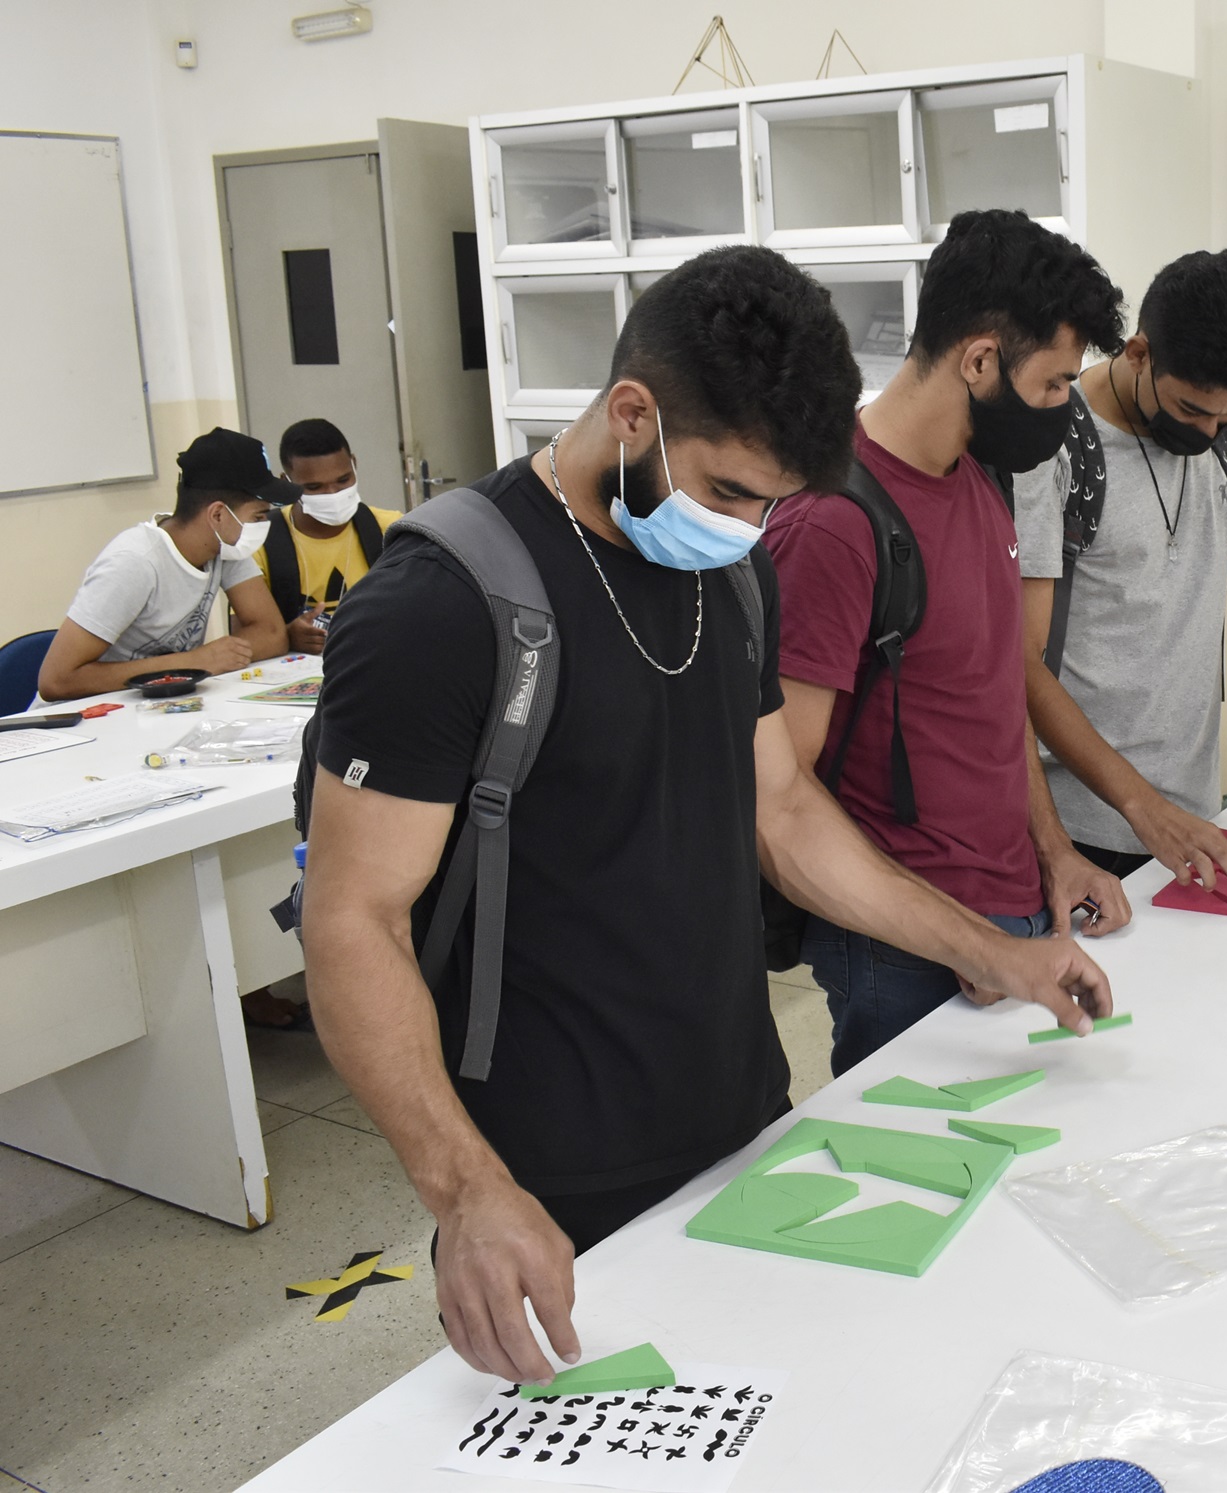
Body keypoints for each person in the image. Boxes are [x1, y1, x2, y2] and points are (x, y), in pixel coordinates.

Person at [298, 246, 1113, 1390]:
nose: (747, 523)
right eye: (729, 491)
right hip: (547, 1169)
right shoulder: (438, 604)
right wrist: (468, 1192)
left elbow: (785, 811)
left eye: (772, 501)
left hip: (742, 1116)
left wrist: (995, 950)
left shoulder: (733, 572)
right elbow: (352, 918)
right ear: (633, 413)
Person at [763, 209, 1134, 1077]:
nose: (1064, 407)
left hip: (1015, 917)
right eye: (1053, 384)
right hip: (903, 948)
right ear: (979, 361)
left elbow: (994, 699)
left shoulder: (977, 480)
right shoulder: (832, 524)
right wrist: (966, 940)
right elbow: (782, 795)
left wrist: (1055, 854)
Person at [1015, 249, 1227, 890]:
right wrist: (1141, 807)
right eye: (1191, 410)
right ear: (1139, 353)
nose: (1209, 431)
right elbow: (1019, 662)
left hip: (1190, 813)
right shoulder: (1054, 447)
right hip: (1079, 826)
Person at [37, 428, 292, 702]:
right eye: (258, 517)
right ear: (218, 515)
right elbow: (56, 681)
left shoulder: (225, 547)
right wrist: (193, 662)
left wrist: (211, 658)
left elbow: (272, 634)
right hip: (86, 715)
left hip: (155, 705)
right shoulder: (135, 562)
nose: (263, 525)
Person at [259, 418, 402, 654]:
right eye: (314, 487)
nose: (333, 494)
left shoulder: (391, 529)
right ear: (287, 483)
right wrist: (286, 636)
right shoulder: (262, 540)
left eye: (343, 480)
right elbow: (245, 636)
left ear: (354, 464)